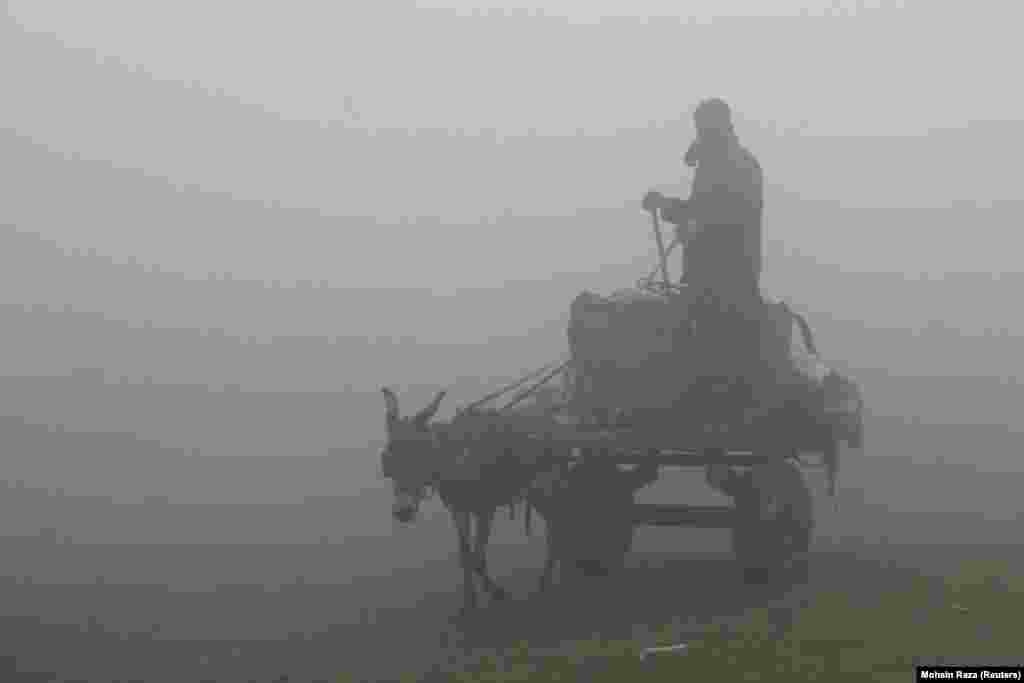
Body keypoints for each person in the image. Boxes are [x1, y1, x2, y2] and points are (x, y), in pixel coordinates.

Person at [642, 98, 764, 309]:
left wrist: (665, 205)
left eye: (703, 129)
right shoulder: (725, 160)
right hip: (719, 276)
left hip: (721, 279)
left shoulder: (728, 164)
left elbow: (707, 213)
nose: (699, 135)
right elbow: (703, 212)